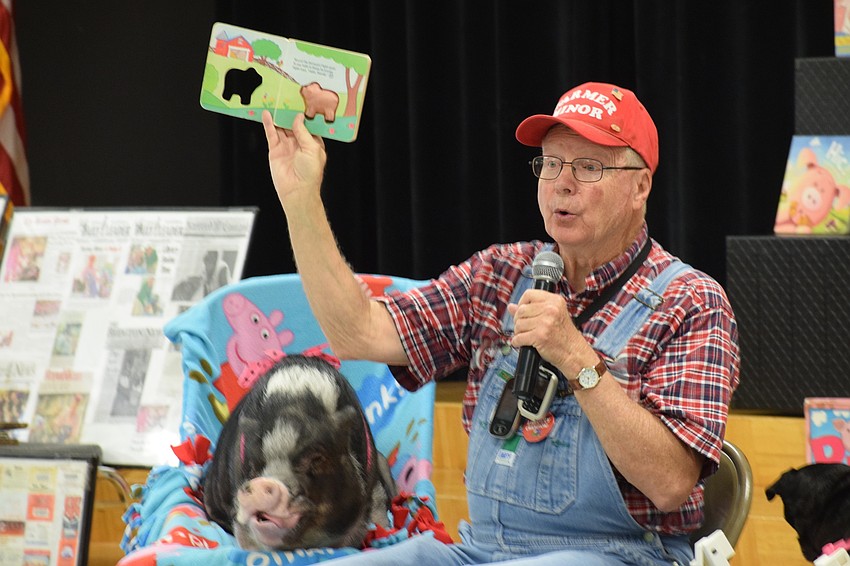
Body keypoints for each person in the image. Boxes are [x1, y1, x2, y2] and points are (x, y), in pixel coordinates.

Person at [261, 81, 739, 565]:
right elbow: (359, 332)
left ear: (641, 186)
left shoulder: (690, 301)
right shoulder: (500, 273)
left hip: (619, 554)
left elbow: (671, 483)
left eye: (589, 167)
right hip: (482, 551)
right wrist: (301, 201)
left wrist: (577, 359)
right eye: (551, 164)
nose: (562, 183)